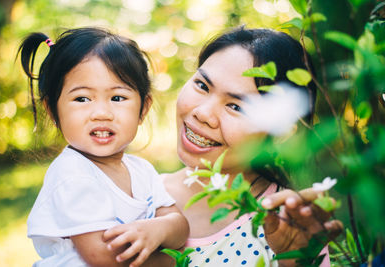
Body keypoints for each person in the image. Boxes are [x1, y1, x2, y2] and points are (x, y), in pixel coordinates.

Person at [158, 27, 342, 266]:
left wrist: (297, 260)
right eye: (202, 86)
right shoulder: (139, 190)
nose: (202, 114)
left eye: (236, 107)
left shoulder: (290, 224)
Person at [19, 27, 189, 267]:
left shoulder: (142, 170)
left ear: (143, 108)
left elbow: (180, 227)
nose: (101, 113)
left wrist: (160, 228)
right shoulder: (72, 175)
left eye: (117, 98)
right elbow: (105, 258)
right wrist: (173, 260)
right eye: (82, 99)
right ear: (52, 110)